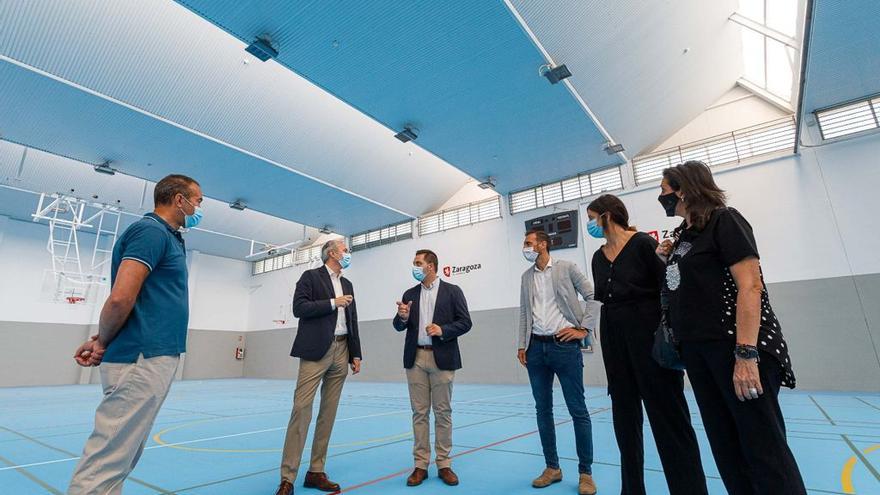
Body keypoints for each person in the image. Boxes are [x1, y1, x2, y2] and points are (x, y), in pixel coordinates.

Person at [656, 161, 805, 494]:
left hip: (735, 348)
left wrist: (746, 354)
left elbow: (751, 285)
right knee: (727, 450)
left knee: (764, 449)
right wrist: (667, 258)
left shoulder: (726, 220)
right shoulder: (683, 235)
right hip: (699, 353)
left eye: (664, 190)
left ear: (683, 189)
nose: (661, 197)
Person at [68, 174, 203, 494]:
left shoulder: (169, 237)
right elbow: (120, 297)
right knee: (106, 460)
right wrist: (102, 341)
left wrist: (102, 340)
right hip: (141, 357)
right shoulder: (151, 231)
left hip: (152, 355)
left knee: (121, 458)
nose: (200, 208)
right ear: (179, 200)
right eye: (198, 200)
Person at [586, 194, 707, 495]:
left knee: (670, 423)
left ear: (608, 216)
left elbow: (668, 288)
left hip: (651, 344)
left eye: (592, 217)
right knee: (626, 427)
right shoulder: (598, 257)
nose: (589, 224)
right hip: (616, 345)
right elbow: (602, 298)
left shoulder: (642, 244)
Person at [275, 239, 362, 495]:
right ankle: (287, 478)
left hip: (342, 349)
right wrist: (334, 302)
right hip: (315, 352)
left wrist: (355, 354)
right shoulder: (310, 277)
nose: (348, 254)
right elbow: (299, 308)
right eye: (345, 250)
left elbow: (352, 320)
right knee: (301, 409)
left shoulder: (348, 284)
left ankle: (316, 471)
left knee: (328, 414)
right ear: (333, 253)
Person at [517, 230, 599, 495]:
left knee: (578, 409)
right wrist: (522, 344)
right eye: (524, 244)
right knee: (543, 410)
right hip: (536, 349)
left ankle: (585, 473)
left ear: (542, 244)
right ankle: (552, 468)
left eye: (529, 243)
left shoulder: (567, 268)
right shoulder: (526, 277)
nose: (525, 247)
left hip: (565, 347)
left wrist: (583, 330)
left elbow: (593, 297)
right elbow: (524, 312)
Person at [393, 249, 472, 487]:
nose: (414, 267)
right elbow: (398, 325)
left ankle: (444, 463)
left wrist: (443, 330)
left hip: (443, 359)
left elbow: (466, 322)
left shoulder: (452, 291)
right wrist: (403, 317)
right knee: (419, 413)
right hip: (415, 358)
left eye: (418, 263)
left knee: (443, 413)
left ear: (431, 266)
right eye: (414, 262)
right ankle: (420, 465)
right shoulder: (409, 294)